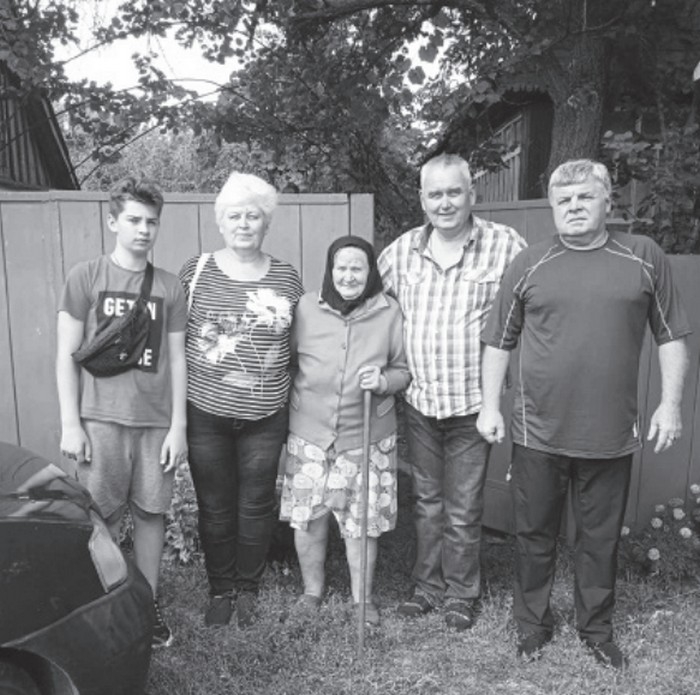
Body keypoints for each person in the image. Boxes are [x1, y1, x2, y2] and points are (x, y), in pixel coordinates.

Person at [478, 159, 691, 668]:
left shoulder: (642, 256)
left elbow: (671, 336)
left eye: (585, 197)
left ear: (607, 201)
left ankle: (596, 629)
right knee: (534, 535)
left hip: (610, 434)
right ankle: (532, 624)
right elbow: (498, 341)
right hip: (537, 431)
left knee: (599, 540)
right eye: (564, 200)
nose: (574, 207)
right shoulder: (529, 263)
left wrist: (670, 404)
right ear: (553, 207)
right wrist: (488, 406)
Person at [377, 153, 526, 630]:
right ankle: (427, 587)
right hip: (420, 401)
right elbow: (370, 307)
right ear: (422, 199)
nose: (445, 203)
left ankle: (461, 592)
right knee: (427, 502)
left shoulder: (505, 245)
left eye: (454, 192)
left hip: (473, 403)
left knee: (463, 507)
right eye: (435, 194)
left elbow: (534, 305)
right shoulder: (400, 252)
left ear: (471, 194)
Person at [56, 176, 188, 649]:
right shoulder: (86, 277)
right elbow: (65, 355)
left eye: (151, 222)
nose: (143, 230)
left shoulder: (170, 287)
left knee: (152, 514)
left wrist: (178, 427)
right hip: (100, 420)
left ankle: (146, 604)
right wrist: (71, 423)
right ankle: (107, 603)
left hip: (155, 424)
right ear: (113, 222)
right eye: (133, 220)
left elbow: (178, 359)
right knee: (104, 517)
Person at [179, 172, 304, 629]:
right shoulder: (196, 270)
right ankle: (220, 588)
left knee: (256, 504)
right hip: (205, 412)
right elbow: (175, 341)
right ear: (220, 222)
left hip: (265, 416)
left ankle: (247, 589)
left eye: (253, 216)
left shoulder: (287, 276)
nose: (244, 224)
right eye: (235, 216)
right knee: (214, 506)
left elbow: (298, 344)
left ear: (266, 222)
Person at [279, 236, 410, 626]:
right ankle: (311, 592)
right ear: (330, 269)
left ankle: (362, 599)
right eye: (341, 267)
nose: (348, 276)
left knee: (361, 522)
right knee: (309, 517)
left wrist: (384, 381)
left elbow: (403, 370)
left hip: (366, 433)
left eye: (357, 268)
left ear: (370, 273)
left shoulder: (388, 311)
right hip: (309, 432)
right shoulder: (307, 307)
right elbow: (288, 360)